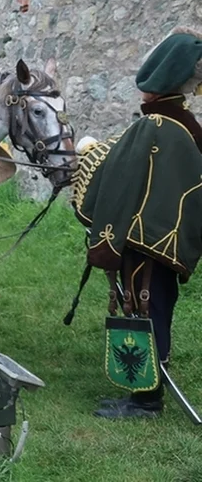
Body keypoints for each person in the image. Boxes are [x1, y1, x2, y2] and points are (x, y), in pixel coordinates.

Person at [75, 29, 202, 420]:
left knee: (145, 309)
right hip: (162, 243)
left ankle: (145, 402)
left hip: (146, 243)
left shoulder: (158, 127)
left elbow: (120, 180)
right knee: (150, 307)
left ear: (156, 83)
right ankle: (142, 392)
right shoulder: (183, 125)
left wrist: (93, 159)